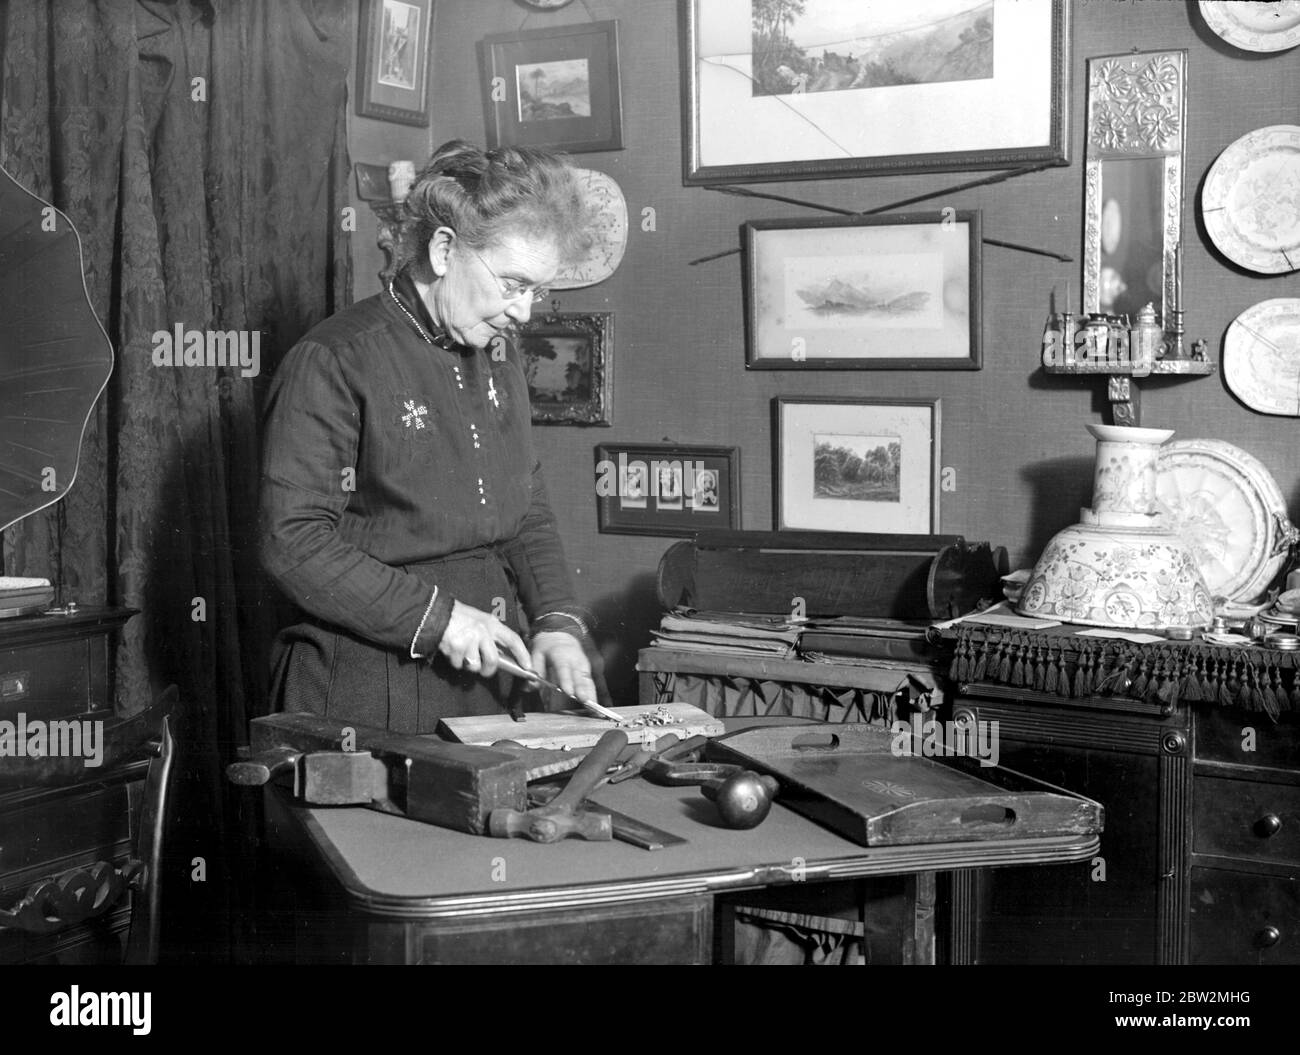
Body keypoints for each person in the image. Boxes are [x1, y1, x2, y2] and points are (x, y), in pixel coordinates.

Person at [259, 140, 606, 733]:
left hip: (486, 673)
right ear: (444, 249)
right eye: (514, 283)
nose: (524, 312)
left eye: (537, 291)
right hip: (366, 682)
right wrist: (440, 619)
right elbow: (292, 543)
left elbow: (528, 508)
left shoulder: (497, 349)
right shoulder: (333, 360)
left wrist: (556, 621)